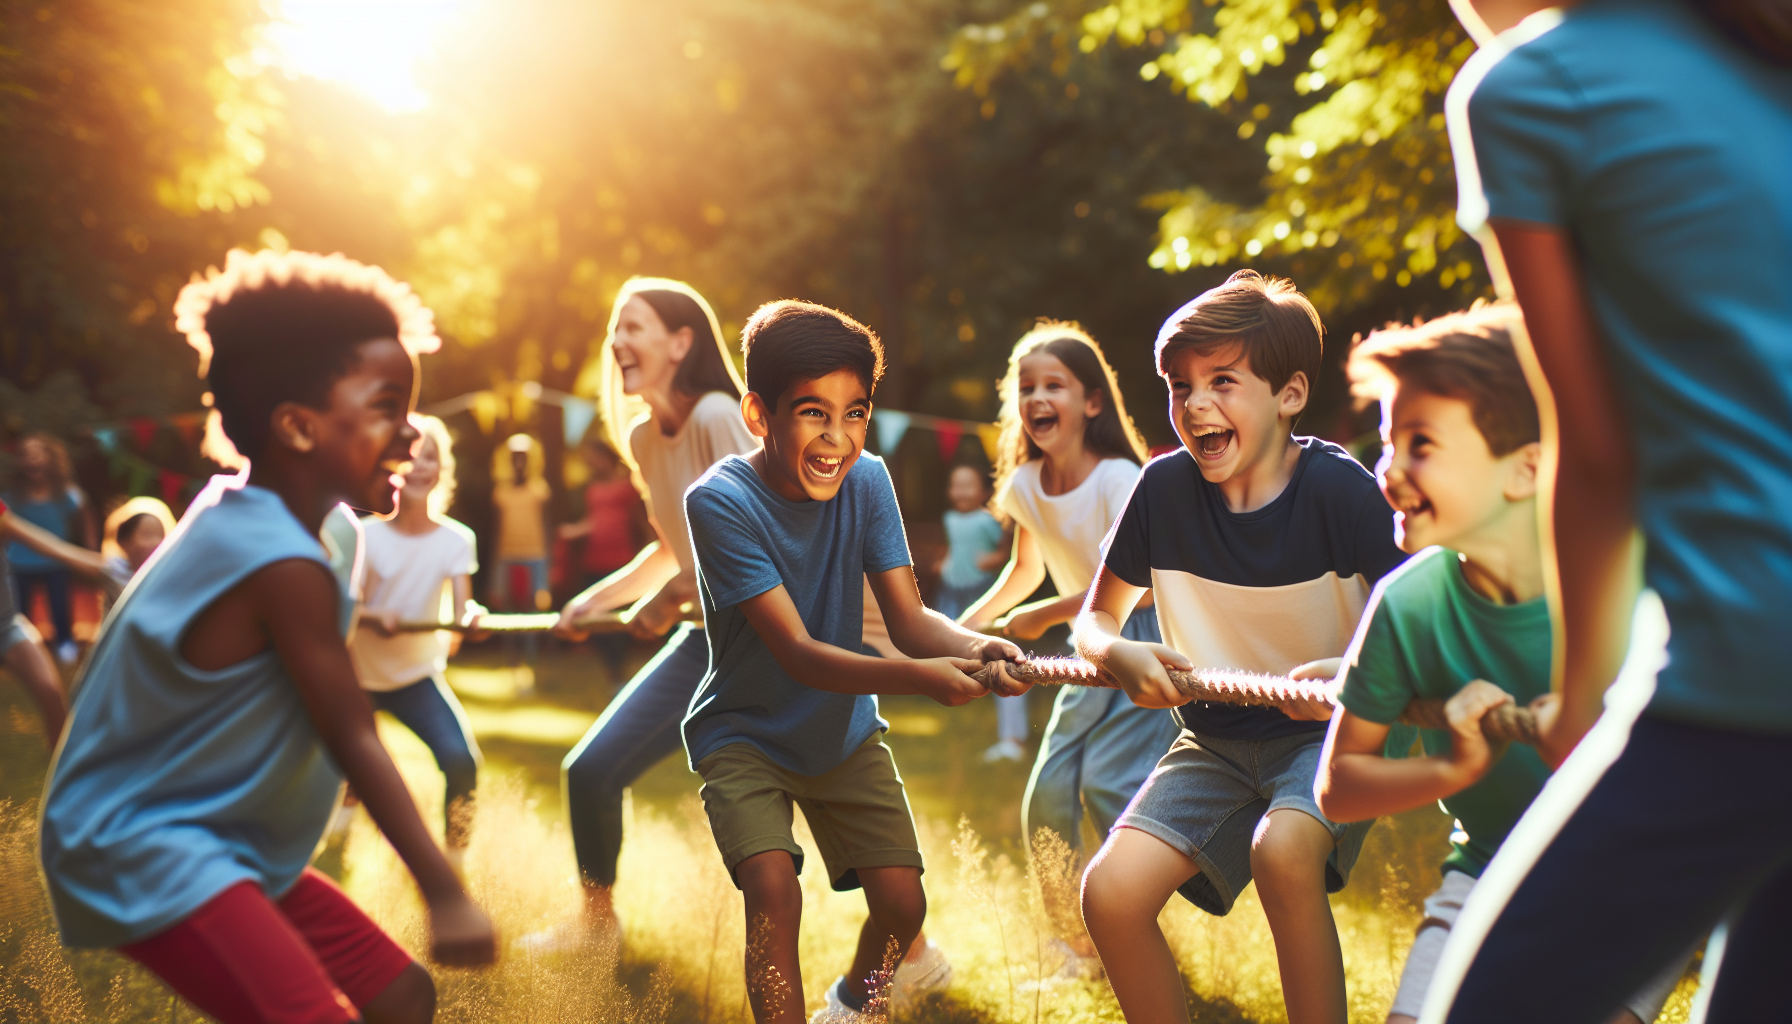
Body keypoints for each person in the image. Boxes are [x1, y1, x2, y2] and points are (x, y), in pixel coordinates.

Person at [1418, 2, 1792, 1021]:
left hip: (1749, 667)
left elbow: (1594, 447)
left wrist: (1577, 696)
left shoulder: (1532, 88)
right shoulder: (1757, 49)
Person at [38, 248, 496, 1024]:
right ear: (297, 425)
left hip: (221, 834)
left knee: (401, 996)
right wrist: (445, 890)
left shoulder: (317, 530)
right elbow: (351, 730)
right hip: (142, 841)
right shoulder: (275, 559)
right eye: (388, 406)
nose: (413, 435)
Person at [1312, 305, 1682, 1024]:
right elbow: (1338, 786)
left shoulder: (1635, 576)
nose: (1388, 471)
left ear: (1527, 468)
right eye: (1389, 443)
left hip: (1639, 884)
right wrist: (1453, 768)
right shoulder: (1410, 605)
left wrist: (1596, 731)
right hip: (1488, 871)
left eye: (1420, 444)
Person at [1074, 270, 1406, 1024]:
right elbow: (1095, 621)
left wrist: (1359, 671)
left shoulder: (1342, 493)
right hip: (1214, 743)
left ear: (1289, 395)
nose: (1195, 405)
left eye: (1222, 381)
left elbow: (1424, 616)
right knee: (1110, 894)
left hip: (1328, 737)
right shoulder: (1162, 490)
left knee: (1283, 852)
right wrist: (1117, 654)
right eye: (1179, 386)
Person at [679, 299, 1024, 1024]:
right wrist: (919, 679)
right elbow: (798, 651)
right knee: (773, 890)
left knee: (902, 903)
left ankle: (853, 1005)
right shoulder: (719, 503)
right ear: (757, 413)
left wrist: (973, 646)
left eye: (856, 412)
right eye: (812, 413)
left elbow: (909, 619)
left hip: (839, 730)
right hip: (744, 732)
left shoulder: (866, 479)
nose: (838, 438)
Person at [536, 278, 759, 950]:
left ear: (681, 341)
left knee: (820, 794)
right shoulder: (643, 438)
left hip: (771, 642)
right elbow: (672, 547)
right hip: (706, 639)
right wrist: (593, 600)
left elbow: (755, 546)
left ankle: (913, 953)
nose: (617, 340)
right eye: (616, 327)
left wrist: (668, 600)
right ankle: (597, 925)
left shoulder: (719, 415)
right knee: (591, 770)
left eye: (634, 325)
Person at [957, 321, 1175, 973]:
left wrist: (1044, 614)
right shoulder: (1026, 482)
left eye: (1054, 384)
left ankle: (1122, 932)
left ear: (1093, 403)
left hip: (1140, 637)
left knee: (1110, 785)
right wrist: (965, 626)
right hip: (1089, 647)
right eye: (1026, 387)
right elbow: (1023, 572)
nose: (1037, 398)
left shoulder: (1117, 479)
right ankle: (1074, 941)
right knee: (1048, 792)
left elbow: (1142, 586)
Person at [351, 414, 486, 866]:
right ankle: (335, 834)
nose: (419, 466)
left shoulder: (456, 540)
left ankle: (455, 860)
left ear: (442, 471)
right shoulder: (364, 537)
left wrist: (471, 617)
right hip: (357, 679)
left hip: (416, 678)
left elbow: (463, 605)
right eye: (410, 456)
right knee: (346, 765)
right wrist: (372, 615)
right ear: (390, 465)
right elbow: (339, 610)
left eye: (430, 457)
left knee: (461, 761)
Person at [930, 465, 1013, 757]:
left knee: (997, 657)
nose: (962, 492)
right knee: (949, 652)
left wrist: (991, 560)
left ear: (983, 492)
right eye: (956, 485)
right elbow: (955, 548)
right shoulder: (949, 518)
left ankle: (1010, 737)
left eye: (969, 485)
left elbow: (1007, 550)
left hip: (981, 594)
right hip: (951, 592)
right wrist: (946, 564)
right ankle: (958, 716)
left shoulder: (988, 520)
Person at [558, 436, 649, 679]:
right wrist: (573, 531)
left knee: (618, 622)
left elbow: (640, 518)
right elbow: (594, 521)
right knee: (595, 621)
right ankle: (612, 670)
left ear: (608, 457)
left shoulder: (627, 485)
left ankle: (619, 670)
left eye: (597, 458)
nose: (594, 464)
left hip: (622, 561)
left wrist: (653, 543)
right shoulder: (592, 490)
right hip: (594, 560)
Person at [4, 432, 97, 664]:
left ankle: (65, 643)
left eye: (37, 453)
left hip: (56, 563)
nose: (32, 459)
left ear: (50, 458)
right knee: (18, 615)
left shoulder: (66, 492)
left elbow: (86, 515)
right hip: (19, 563)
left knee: (60, 607)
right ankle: (18, 652)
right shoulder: (13, 495)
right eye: (25, 454)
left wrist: (90, 548)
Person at [4, 495, 177, 603]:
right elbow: (57, 550)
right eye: (146, 535)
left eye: (160, 535)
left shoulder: (171, 573)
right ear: (124, 542)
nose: (155, 543)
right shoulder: (114, 570)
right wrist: (11, 526)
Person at [0, 499, 69, 745]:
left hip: (6, 625)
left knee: (50, 691)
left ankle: (64, 776)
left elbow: (37, 540)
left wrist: (98, 565)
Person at [491, 433, 551, 614]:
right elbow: (496, 529)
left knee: (535, 606)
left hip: (535, 553)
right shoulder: (501, 493)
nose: (519, 462)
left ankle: (532, 642)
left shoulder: (539, 490)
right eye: (515, 457)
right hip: (507, 553)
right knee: (507, 606)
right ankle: (510, 642)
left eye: (523, 457)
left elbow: (546, 525)